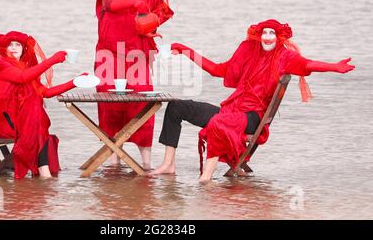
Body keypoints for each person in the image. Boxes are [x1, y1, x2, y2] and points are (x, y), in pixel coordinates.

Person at [149, 19, 355, 182]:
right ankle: (169, 165)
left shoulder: (285, 57)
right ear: (259, 35)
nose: (267, 37)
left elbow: (308, 64)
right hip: (231, 110)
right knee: (176, 107)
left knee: (220, 122)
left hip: (252, 117)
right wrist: (186, 51)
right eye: (264, 32)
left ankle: (205, 178)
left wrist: (334, 67)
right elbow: (217, 70)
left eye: (272, 33)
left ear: (279, 36)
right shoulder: (248, 52)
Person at [94, 0, 189, 169]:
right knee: (110, 108)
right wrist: (134, 4)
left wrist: (154, 19)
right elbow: (108, 4)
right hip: (108, 54)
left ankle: (146, 164)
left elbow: (159, 18)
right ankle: (114, 161)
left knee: (142, 106)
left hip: (138, 57)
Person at [0, 30, 84, 179]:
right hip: (3, 121)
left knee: (34, 108)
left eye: (18, 45)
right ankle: (44, 172)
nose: (14, 48)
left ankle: (44, 171)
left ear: (24, 49)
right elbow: (23, 78)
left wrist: (75, 82)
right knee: (34, 110)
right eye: (10, 45)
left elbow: (45, 92)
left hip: (17, 118)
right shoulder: (0, 65)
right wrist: (52, 60)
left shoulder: (23, 66)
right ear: (3, 48)